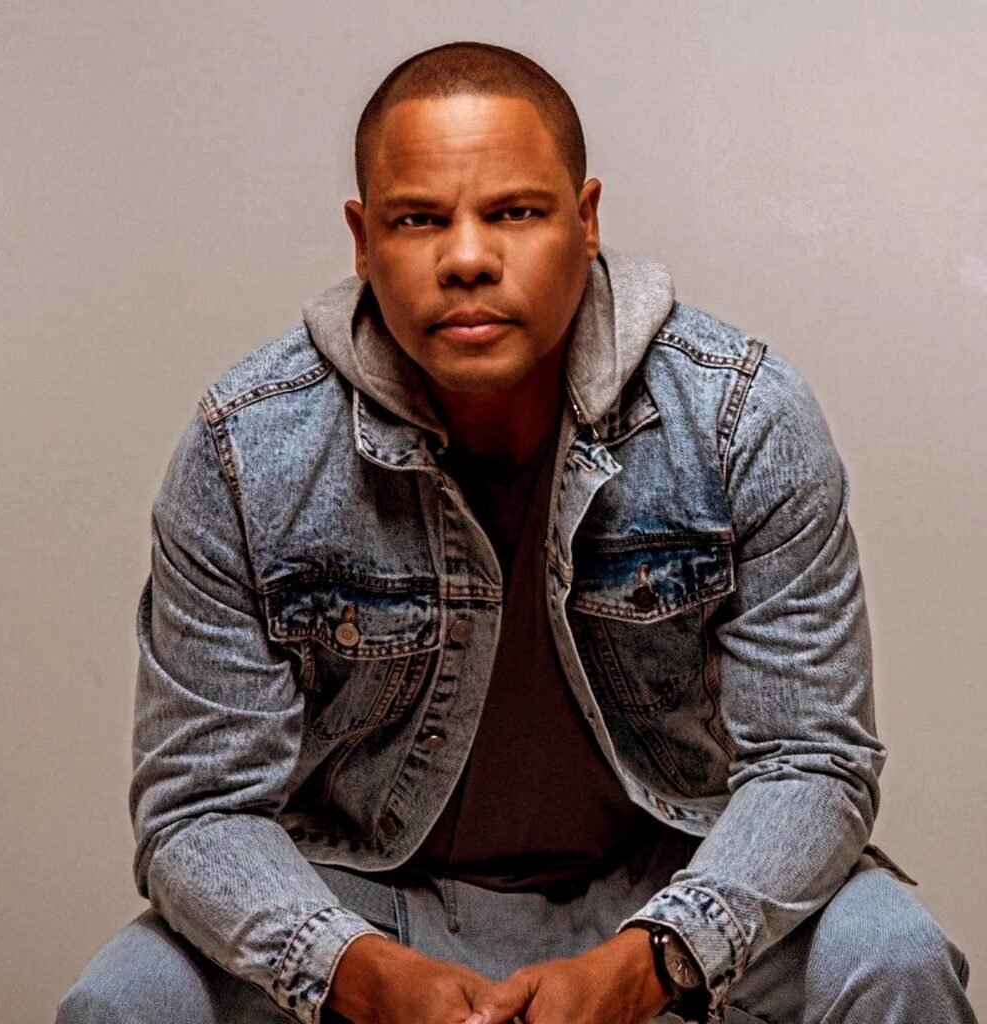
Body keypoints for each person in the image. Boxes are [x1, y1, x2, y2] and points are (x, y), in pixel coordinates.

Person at [57, 41, 976, 1024]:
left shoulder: (739, 418)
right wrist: (361, 972)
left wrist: (649, 961)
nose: (466, 258)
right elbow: (199, 809)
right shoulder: (247, 450)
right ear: (362, 240)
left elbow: (813, 762)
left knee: (893, 956)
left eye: (514, 213)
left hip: (672, 880)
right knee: (125, 1000)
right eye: (419, 219)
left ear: (585, 220)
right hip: (365, 899)